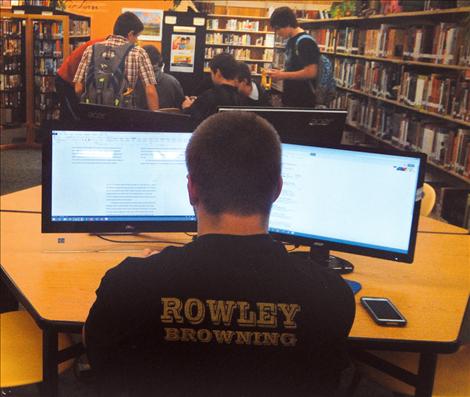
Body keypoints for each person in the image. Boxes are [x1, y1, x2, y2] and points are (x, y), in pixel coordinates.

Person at [84, 111, 356, 396]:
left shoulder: (128, 285)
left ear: (191, 189)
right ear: (277, 189)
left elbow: (98, 356)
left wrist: (154, 270)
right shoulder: (332, 296)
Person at [73, 11, 159, 110]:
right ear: (130, 34)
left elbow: (78, 88)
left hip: (93, 114)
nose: (136, 40)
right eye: (137, 36)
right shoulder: (138, 53)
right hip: (123, 115)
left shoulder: (90, 49)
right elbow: (150, 92)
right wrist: (156, 119)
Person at [268, 6, 320, 107]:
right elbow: (294, 67)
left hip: (303, 101)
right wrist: (280, 73)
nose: (277, 33)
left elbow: (311, 72)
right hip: (291, 98)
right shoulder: (291, 40)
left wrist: (283, 75)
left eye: (278, 29)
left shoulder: (306, 42)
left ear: (287, 24)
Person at [182, 53, 242, 124]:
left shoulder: (210, 96)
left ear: (218, 72)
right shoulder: (242, 97)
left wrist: (186, 107)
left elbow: (192, 119)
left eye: (211, 73)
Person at [55, 37, 105, 121]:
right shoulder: (98, 47)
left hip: (73, 81)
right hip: (66, 80)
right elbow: (78, 88)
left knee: (70, 114)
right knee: (73, 117)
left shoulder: (101, 43)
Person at [134, 45, 185, 109]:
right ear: (159, 60)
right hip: (166, 118)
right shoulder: (172, 81)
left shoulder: (131, 81)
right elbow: (181, 106)